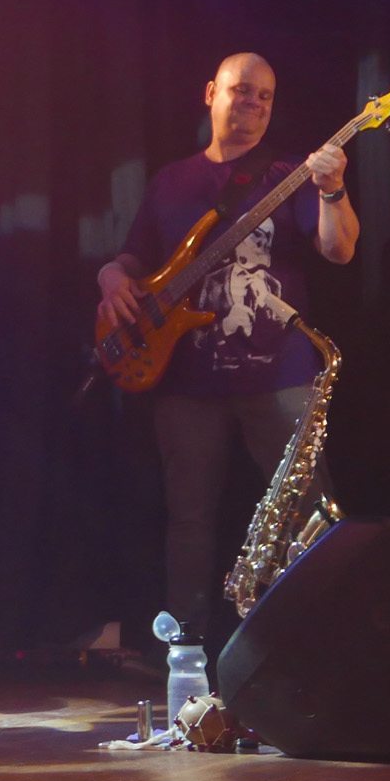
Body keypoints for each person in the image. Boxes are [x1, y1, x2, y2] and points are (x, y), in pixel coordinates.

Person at [95, 52, 359, 640]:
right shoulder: (172, 182)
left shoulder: (289, 174)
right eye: (242, 90)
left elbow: (339, 250)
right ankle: (184, 649)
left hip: (279, 372)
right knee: (188, 521)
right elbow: (135, 258)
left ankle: (326, 640)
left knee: (309, 512)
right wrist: (110, 276)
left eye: (265, 96)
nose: (254, 104)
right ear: (211, 92)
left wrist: (333, 190)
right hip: (186, 379)